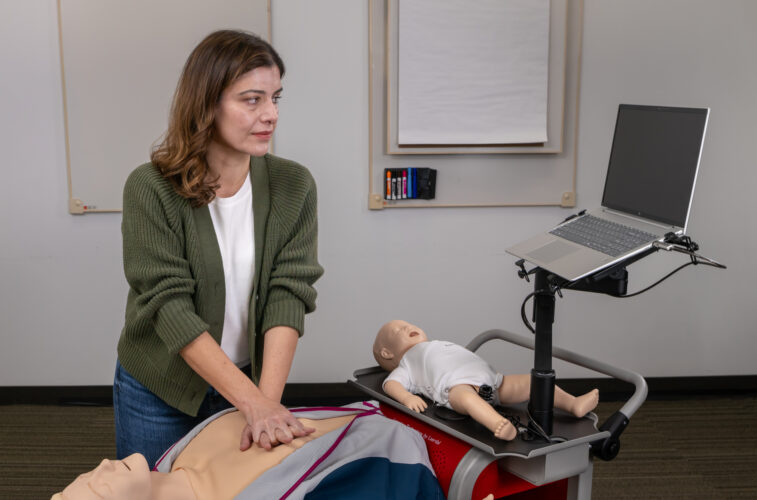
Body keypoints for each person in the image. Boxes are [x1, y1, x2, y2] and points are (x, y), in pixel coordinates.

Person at [113, 29, 323, 466]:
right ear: (207, 104)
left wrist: (263, 402)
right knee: (154, 493)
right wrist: (254, 404)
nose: (271, 115)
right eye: (252, 100)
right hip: (160, 387)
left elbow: (289, 293)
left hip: (251, 383)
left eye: (275, 98)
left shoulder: (293, 185)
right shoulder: (151, 188)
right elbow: (169, 306)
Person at [52, 404, 452, 500]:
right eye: (96, 488)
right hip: (413, 444)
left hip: (387, 409)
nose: (101, 465)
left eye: (85, 474)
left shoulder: (175, 458)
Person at [373, 320, 599, 440]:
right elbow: (390, 384)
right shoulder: (407, 363)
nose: (408, 327)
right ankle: (498, 424)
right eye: (398, 331)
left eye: (409, 324)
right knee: (470, 401)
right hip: (456, 389)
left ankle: (572, 403)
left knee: (534, 383)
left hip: (493, 381)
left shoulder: (434, 345)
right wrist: (407, 397)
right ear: (387, 353)